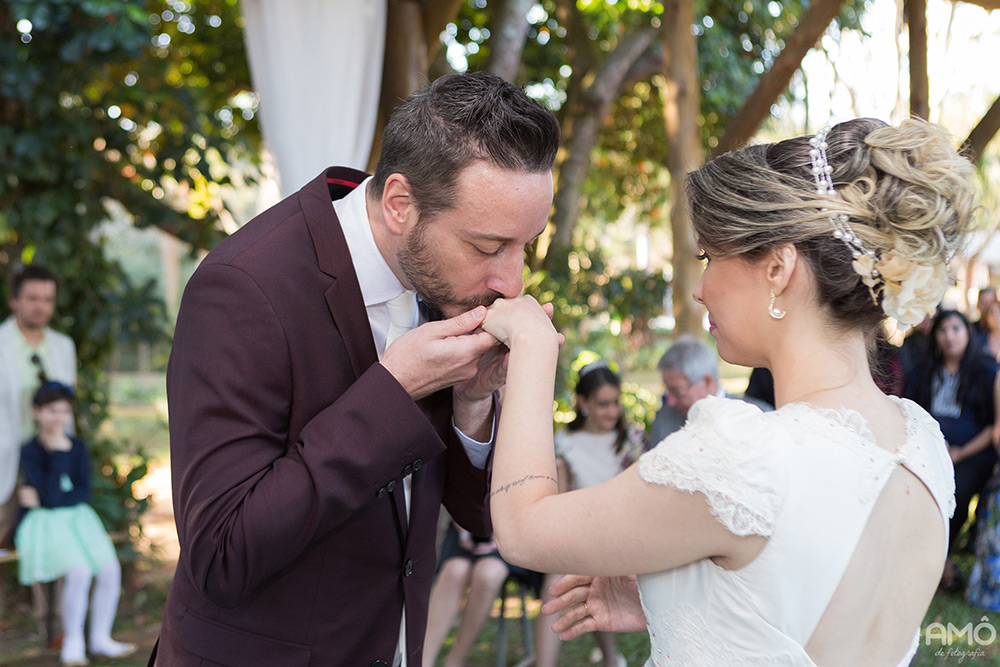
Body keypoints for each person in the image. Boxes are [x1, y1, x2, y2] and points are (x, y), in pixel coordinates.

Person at [481, 117, 974, 665]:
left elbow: (523, 529)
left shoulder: (745, 457)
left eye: (709, 257)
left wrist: (531, 348)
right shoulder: (921, 445)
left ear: (778, 268)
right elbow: (810, 602)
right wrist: (686, 601)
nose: (699, 288)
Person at [149, 72, 560, 667]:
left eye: (527, 245)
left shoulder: (443, 283)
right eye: (488, 247)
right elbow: (220, 555)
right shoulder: (242, 289)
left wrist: (473, 402)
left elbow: (476, 514)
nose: (513, 281)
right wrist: (393, 393)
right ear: (400, 204)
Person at [527, 361, 641, 667]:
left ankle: (607, 656)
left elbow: (639, 497)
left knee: (588, 574)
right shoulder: (566, 442)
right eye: (603, 404)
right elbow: (560, 499)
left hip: (622, 532)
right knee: (559, 577)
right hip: (579, 529)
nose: (612, 411)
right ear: (583, 402)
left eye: (615, 402)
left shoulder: (630, 440)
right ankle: (548, 663)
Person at [15, 382, 135, 666]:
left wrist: (48, 496)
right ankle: (73, 640)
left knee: (109, 569)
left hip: (79, 520)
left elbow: (82, 491)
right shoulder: (30, 450)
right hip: (44, 525)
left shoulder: (78, 448)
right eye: (52, 411)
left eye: (64, 412)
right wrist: (57, 453)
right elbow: (51, 498)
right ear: (37, 412)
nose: (59, 418)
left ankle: (100, 637)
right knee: (79, 571)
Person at [904, 309, 998, 592]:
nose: (949, 337)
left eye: (956, 329)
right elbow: (910, 411)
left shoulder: (986, 371)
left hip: (972, 454)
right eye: (943, 330)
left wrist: (959, 453)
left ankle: (937, 561)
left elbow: (993, 426)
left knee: (957, 491)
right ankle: (934, 563)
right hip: (929, 449)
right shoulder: (923, 370)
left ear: (968, 332)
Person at [0, 264, 77, 548]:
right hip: (5, 464)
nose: (40, 306)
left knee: (51, 548)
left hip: (48, 465)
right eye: (32, 298)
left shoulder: (63, 346)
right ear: (14, 301)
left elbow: (66, 411)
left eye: (47, 299)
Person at [649, 337, 771, 447]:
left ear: (708, 381)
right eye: (667, 390)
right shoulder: (663, 420)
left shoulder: (759, 417)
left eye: (677, 391)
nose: (670, 401)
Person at [422, 520, 509, 667]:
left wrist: (501, 538)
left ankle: (455, 661)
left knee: (488, 575)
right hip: (463, 524)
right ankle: (423, 660)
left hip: (509, 535)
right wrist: (464, 531)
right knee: (455, 571)